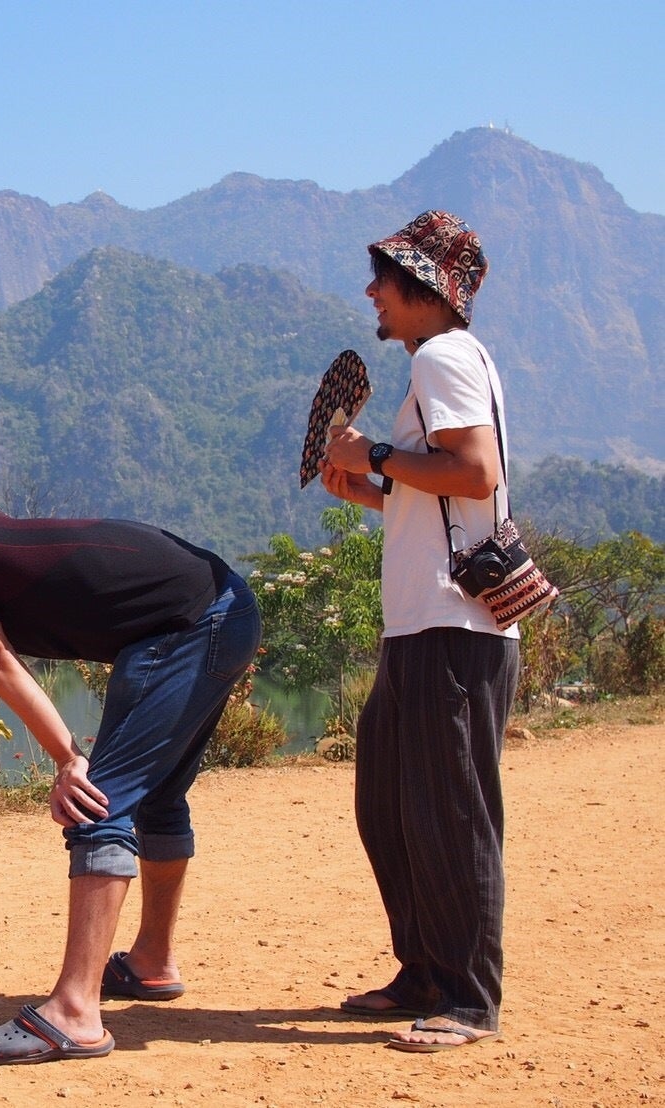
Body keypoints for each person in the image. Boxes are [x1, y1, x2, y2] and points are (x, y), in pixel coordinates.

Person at [0, 454, 261, 1064]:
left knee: (95, 802)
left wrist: (68, 758)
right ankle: (151, 962)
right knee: (156, 797)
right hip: (221, 612)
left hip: (188, 625)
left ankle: (75, 1013)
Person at [320, 210, 520, 1052]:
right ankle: (426, 971)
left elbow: (475, 472)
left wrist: (372, 455)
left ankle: (468, 998)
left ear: (426, 289)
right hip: (422, 624)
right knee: (391, 805)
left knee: (451, 811)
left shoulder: (442, 357)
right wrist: (371, 488)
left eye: (387, 279)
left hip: (451, 626)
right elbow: (438, 494)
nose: (373, 291)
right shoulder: (436, 363)